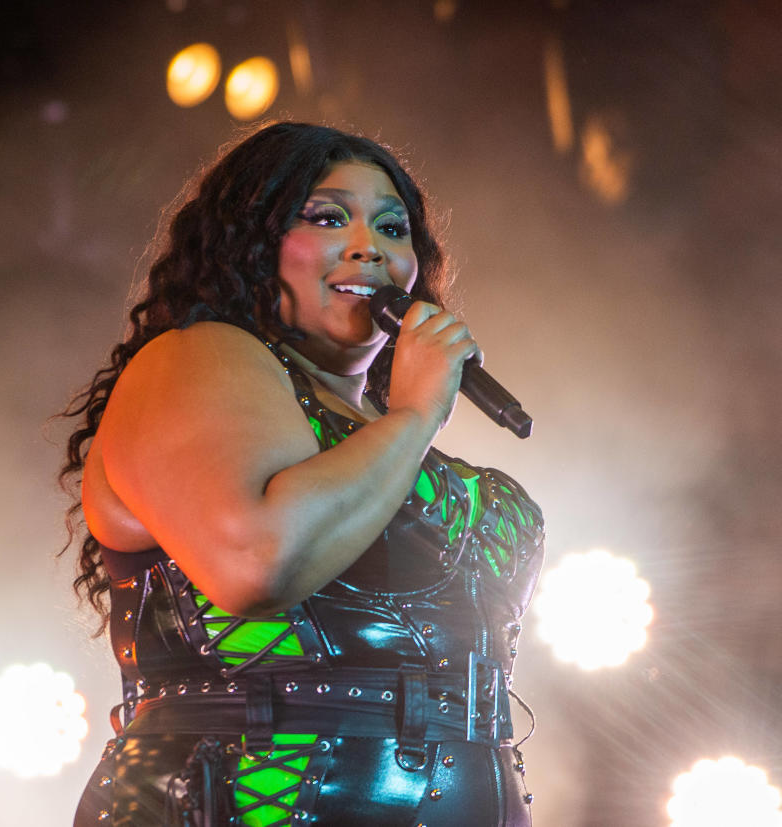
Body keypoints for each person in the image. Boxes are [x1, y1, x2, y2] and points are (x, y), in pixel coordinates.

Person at [61, 122, 544, 827]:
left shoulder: (382, 440)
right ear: (250, 243)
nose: (368, 246)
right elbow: (261, 561)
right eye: (326, 216)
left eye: (392, 226)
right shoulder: (196, 358)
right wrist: (412, 415)